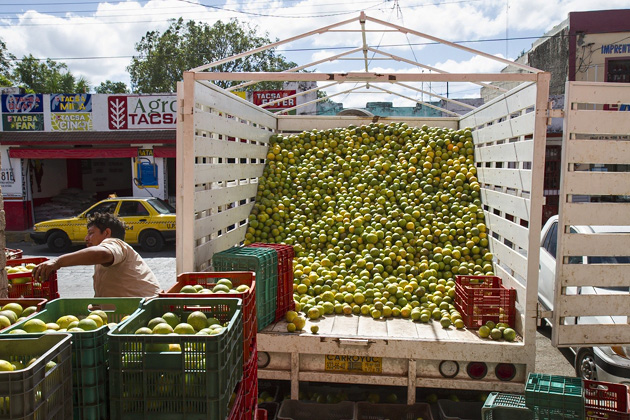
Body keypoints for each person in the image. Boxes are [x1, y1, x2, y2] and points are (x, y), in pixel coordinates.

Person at [33, 212, 161, 297]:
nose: (86, 238)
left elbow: (102, 254)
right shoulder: (104, 258)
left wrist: (58, 262)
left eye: (91, 233)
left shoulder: (115, 243)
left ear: (106, 233)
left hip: (142, 313)